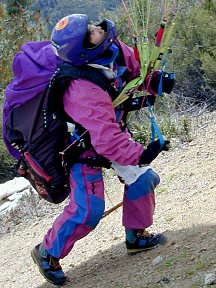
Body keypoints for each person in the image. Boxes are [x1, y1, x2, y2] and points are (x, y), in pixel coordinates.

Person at [31, 14, 170, 286]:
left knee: (143, 179)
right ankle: (47, 252)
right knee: (89, 210)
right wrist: (140, 154)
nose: (98, 28)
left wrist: (156, 81)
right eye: (91, 31)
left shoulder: (113, 48)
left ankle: (136, 236)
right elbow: (106, 140)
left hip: (110, 134)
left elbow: (134, 72)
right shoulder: (80, 88)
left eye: (92, 25)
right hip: (81, 149)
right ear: (85, 49)